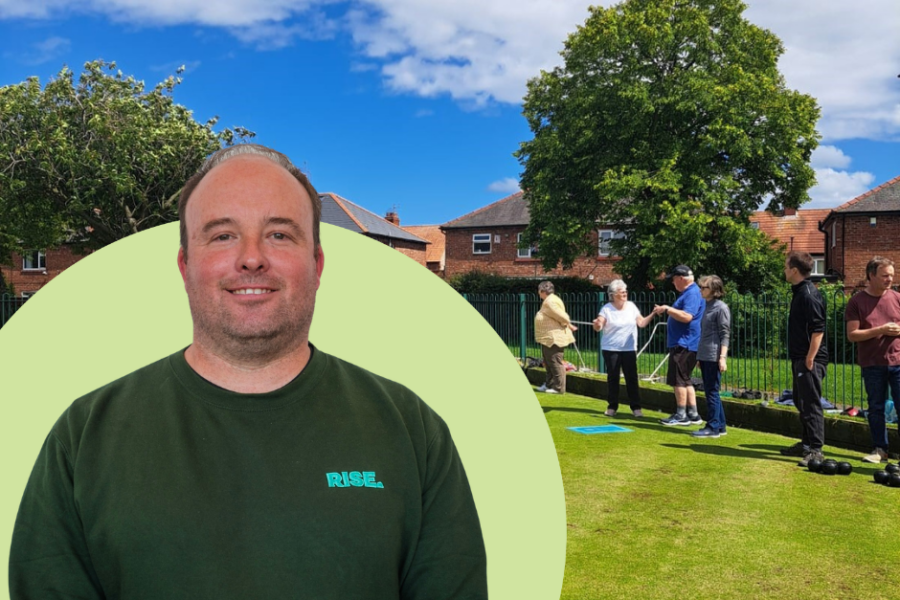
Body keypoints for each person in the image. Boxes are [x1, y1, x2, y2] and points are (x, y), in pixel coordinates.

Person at [9, 144, 487, 599]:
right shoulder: (85, 434)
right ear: (185, 265)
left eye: (279, 234)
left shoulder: (411, 429)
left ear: (317, 264)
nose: (252, 257)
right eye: (222, 235)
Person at [845, 256, 900, 464]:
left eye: (892, 275)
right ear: (871, 275)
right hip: (872, 363)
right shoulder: (857, 301)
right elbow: (852, 335)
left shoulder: (897, 298)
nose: (890, 279)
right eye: (885, 275)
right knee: (875, 407)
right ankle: (880, 450)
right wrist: (881, 329)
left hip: (897, 362)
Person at [781, 250, 829, 467]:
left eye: (785, 266)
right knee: (802, 401)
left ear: (794, 270)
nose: (783, 270)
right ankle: (806, 444)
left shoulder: (809, 294)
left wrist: (810, 358)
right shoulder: (799, 292)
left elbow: (818, 329)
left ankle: (816, 450)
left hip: (810, 359)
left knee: (810, 404)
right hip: (801, 357)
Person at [592, 279, 655, 417]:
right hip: (611, 348)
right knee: (613, 377)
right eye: (622, 292)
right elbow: (599, 325)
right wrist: (597, 324)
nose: (625, 293)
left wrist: (653, 313)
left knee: (631, 378)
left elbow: (642, 323)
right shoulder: (606, 309)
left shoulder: (632, 306)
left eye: (626, 291)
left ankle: (636, 408)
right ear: (613, 294)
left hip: (629, 348)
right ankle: (612, 407)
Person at [652, 265, 705, 426]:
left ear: (681, 278)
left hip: (684, 343)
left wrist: (667, 309)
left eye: (674, 279)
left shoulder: (691, 294)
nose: (673, 283)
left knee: (679, 381)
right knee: (685, 379)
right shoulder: (691, 293)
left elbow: (687, 316)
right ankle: (693, 414)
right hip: (686, 342)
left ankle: (681, 414)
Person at [691, 275, 731, 438]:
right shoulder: (707, 305)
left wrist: (722, 357)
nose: (701, 290)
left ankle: (713, 426)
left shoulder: (721, 308)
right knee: (710, 390)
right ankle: (720, 425)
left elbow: (725, 334)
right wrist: (700, 356)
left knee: (712, 392)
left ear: (714, 290)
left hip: (714, 355)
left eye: (704, 287)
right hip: (705, 355)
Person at [535, 281, 577, 394]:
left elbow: (563, 317)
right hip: (549, 338)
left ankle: (559, 388)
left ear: (542, 291)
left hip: (554, 338)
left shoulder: (550, 301)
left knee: (554, 362)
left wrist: (567, 323)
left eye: (539, 291)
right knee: (548, 363)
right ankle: (549, 384)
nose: (538, 293)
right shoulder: (550, 300)